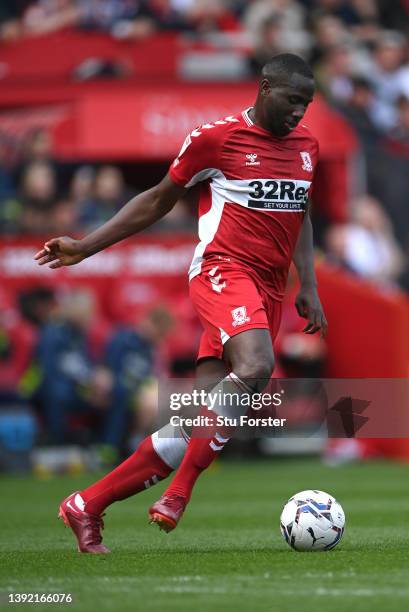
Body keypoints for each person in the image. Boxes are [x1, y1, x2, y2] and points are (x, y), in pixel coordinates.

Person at [35, 53, 327, 553]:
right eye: (292, 100)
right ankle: (178, 495)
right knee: (257, 365)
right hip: (222, 271)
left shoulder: (307, 148)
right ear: (264, 88)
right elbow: (156, 198)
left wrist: (310, 285)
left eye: (306, 104)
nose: (299, 112)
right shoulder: (217, 138)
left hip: (270, 290)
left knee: (199, 423)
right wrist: (85, 245)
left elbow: (299, 210)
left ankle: (86, 505)